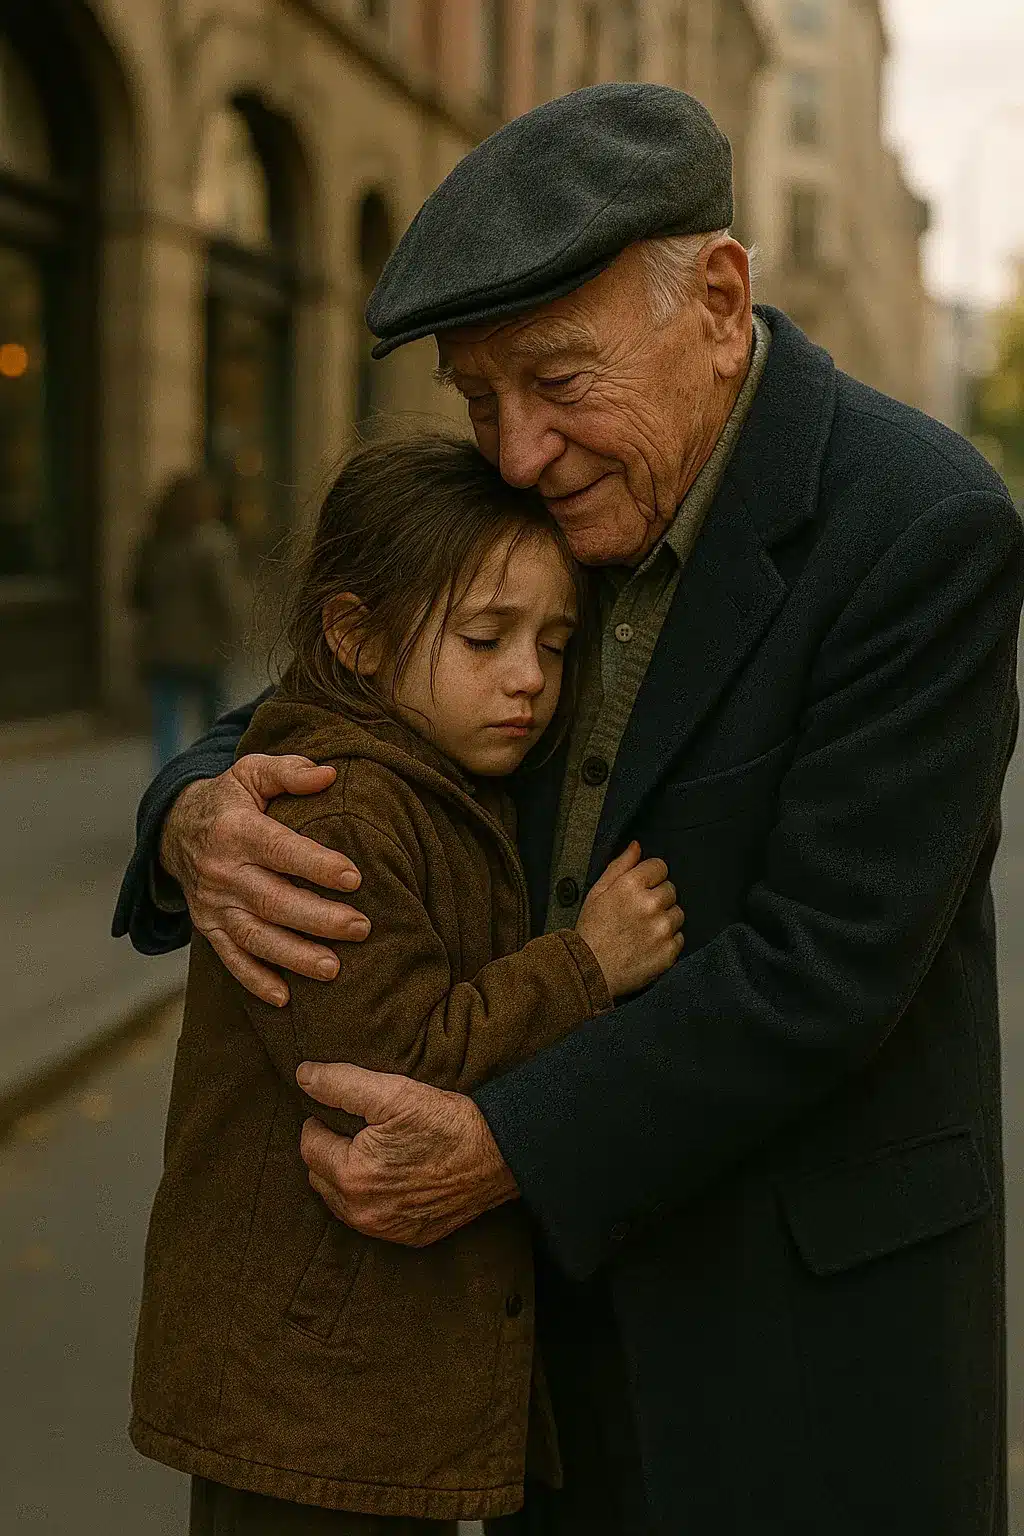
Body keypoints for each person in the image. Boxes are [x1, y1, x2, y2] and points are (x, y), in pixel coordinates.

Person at [115, 84, 1024, 1536]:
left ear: (720, 301)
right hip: (541, 1353)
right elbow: (346, 677)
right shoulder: (562, 488)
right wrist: (190, 809)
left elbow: (823, 969)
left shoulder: (921, 528)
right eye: (480, 400)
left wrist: (502, 1145)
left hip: (798, 1350)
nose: (519, 451)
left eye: (557, 382)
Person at [129, 433, 684, 1533]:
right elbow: (389, 1066)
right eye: (486, 638)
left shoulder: (445, 777)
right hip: (306, 1404)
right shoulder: (333, 815)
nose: (530, 676)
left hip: (362, 1388)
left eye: (557, 643)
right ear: (356, 638)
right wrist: (586, 963)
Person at [129, 470, 241, 767]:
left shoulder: (155, 543)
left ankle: (165, 789)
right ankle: (213, 779)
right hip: (204, 648)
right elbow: (226, 599)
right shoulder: (213, 543)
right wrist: (232, 638)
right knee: (216, 727)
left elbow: (136, 595)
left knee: (166, 726)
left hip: (161, 648)